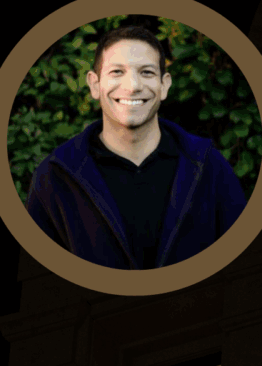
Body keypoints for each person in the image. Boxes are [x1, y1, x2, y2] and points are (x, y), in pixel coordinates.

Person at [26, 26, 248, 270]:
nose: (132, 86)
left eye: (147, 72)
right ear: (94, 84)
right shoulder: (55, 177)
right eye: (117, 72)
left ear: (164, 85)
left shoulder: (209, 167)